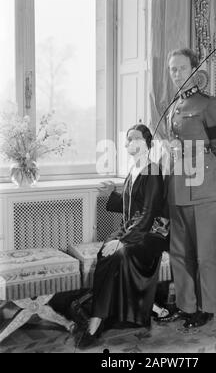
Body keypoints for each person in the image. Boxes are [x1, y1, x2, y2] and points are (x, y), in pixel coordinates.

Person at [157, 48, 216, 329]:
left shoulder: (209, 105)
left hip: (203, 188)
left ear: (195, 70)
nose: (176, 74)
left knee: (204, 253)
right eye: (172, 69)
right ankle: (186, 305)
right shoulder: (174, 106)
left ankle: (205, 308)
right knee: (179, 253)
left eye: (181, 68)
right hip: (178, 187)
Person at [77, 124, 170, 349]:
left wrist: (123, 241)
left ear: (146, 143)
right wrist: (113, 194)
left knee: (117, 254)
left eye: (134, 139)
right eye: (127, 140)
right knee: (105, 252)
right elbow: (132, 206)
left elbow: (148, 215)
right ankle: (115, 311)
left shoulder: (153, 171)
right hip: (133, 228)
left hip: (152, 233)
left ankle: (96, 321)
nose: (128, 143)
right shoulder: (134, 169)